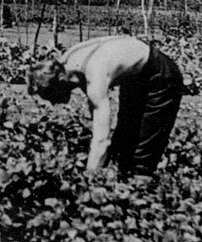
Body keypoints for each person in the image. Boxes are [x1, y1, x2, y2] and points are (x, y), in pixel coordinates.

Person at [28, 34, 184, 177]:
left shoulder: (95, 73)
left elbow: (102, 139)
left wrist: (89, 176)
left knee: (142, 152)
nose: (53, 103)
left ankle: (141, 193)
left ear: (60, 82)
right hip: (134, 77)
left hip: (161, 75)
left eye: (50, 96)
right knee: (124, 142)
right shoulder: (68, 62)